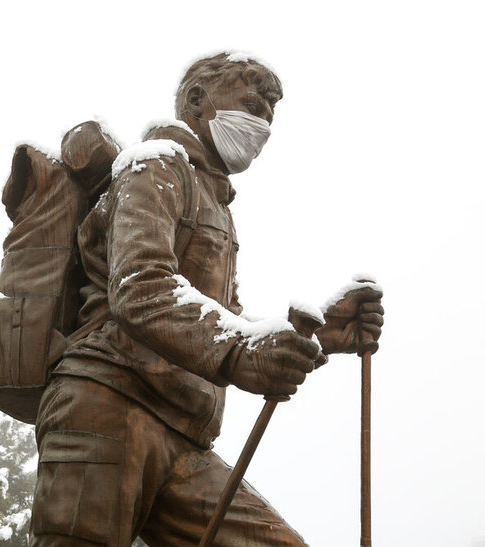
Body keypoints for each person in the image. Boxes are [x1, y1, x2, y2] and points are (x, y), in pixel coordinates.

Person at [29, 52, 384, 547]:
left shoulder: (214, 200)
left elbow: (226, 319)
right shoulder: (155, 165)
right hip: (107, 407)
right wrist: (240, 351)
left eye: (270, 112)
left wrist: (321, 333)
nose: (261, 120)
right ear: (197, 100)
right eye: (251, 101)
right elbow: (140, 286)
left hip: (184, 437)